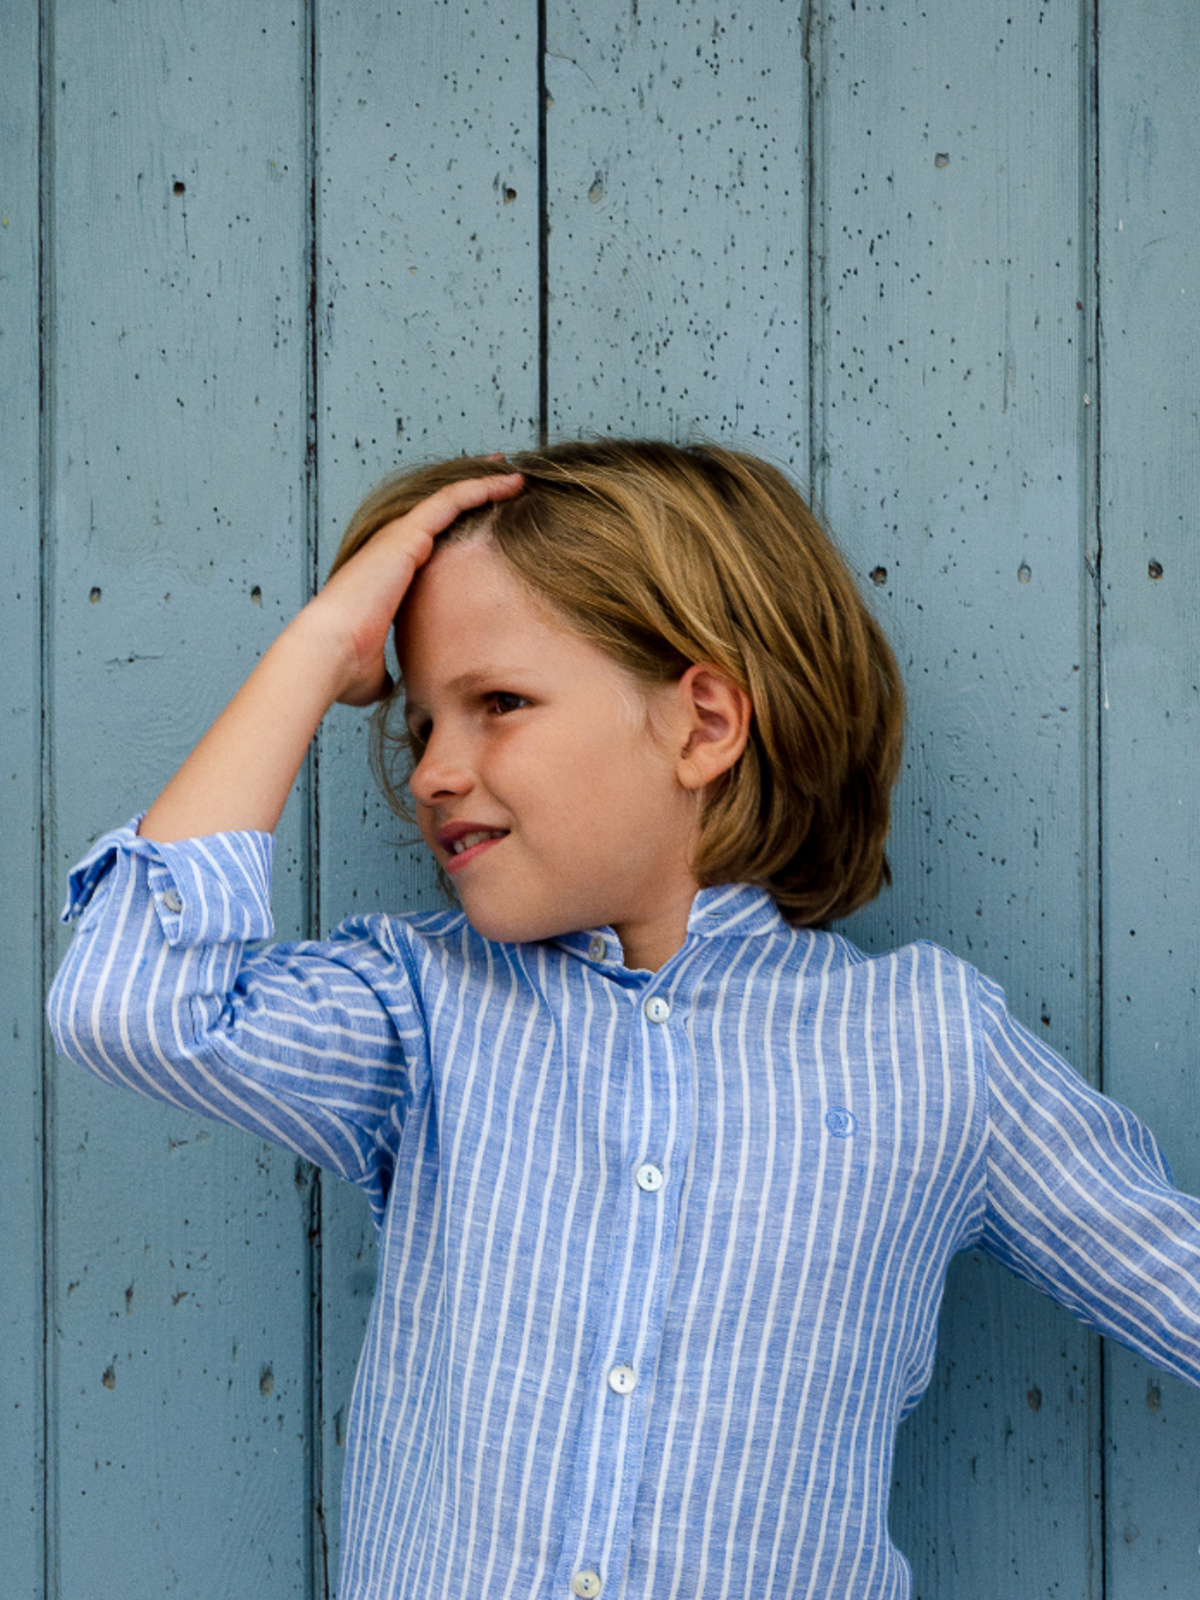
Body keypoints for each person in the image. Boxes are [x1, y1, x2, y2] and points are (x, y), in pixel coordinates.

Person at [47, 439, 1200, 1600]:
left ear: (704, 724)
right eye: (422, 726)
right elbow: (132, 1006)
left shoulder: (929, 1046)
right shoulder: (421, 1012)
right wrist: (310, 653)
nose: (434, 773)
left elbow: (1172, 1274)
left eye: (498, 704)